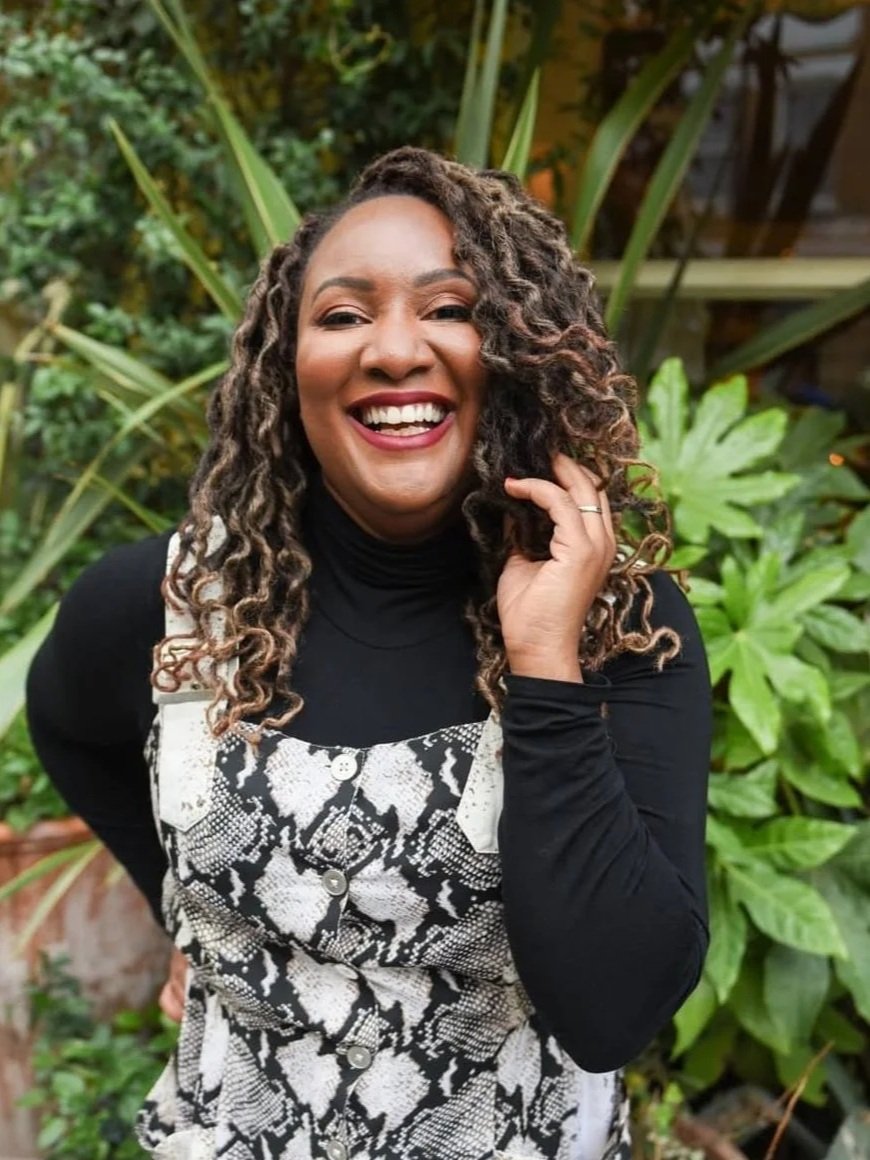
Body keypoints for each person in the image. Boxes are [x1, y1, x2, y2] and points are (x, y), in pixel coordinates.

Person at [26, 146, 711, 1160]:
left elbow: (613, 1008)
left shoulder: (618, 624)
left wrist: (545, 664)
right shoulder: (173, 603)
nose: (394, 350)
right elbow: (68, 723)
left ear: (518, 349)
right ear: (283, 364)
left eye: (448, 307)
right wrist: (187, 914)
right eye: (344, 314)